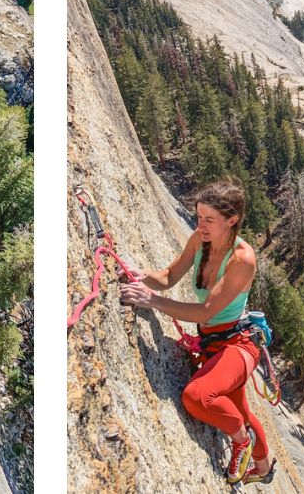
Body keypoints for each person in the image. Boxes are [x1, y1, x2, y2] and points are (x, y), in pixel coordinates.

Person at [119, 176, 274, 485]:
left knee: (197, 397)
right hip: (213, 343)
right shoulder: (199, 240)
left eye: (209, 219)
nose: (201, 225)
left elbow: (205, 311)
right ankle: (265, 468)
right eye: (199, 216)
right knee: (238, 409)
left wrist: (153, 301)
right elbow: (169, 275)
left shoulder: (242, 259)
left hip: (238, 345)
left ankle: (241, 441)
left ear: (232, 220)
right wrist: (142, 276)